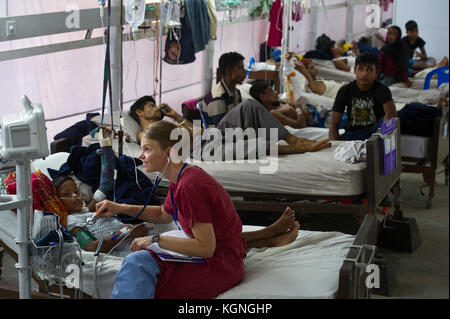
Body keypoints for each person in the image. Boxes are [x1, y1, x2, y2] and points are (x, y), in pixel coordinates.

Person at [93, 120, 301, 298]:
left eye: (147, 148)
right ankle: (268, 237)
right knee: (143, 262)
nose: (141, 155)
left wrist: (156, 239)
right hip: (223, 254)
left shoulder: (190, 186)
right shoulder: (181, 176)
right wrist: (118, 207)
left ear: (168, 152)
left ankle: (268, 237)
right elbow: (163, 214)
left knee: (137, 264)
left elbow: (205, 248)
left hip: (218, 265)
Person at [215, 82, 332, 156]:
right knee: (249, 105)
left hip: (220, 135)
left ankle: (293, 141)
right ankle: (294, 142)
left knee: (249, 105)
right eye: (271, 91)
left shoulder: (237, 94)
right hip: (218, 138)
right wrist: (298, 109)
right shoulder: (273, 112)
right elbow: (254, 146)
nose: (275, 92)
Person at [53, 174, 148, 256]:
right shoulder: (72, 220)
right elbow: (91, 247)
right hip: (132, 252)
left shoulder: (87, 212)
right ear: (57, 201)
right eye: (66, 194)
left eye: (76, 191)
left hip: (141, 242)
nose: (74, 196)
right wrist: (126, 231)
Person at [329, 52, 397, 141]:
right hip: (352, 134)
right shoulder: (345, 91)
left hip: (375, 132)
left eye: (369, 70)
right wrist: (335, 146)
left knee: (392, 118)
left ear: (376, 72)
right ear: (355, 70)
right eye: (361, 69)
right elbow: (334, 124)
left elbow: (390, 114)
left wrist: (381, 141)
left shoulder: (382, 90)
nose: (364, 74)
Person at [203, 52, 247, 126]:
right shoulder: (218, 97)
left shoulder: (236, 92)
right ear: (228, 71)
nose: (244, 72)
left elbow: (240, 117)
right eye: (240, 68)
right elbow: (222, 129)